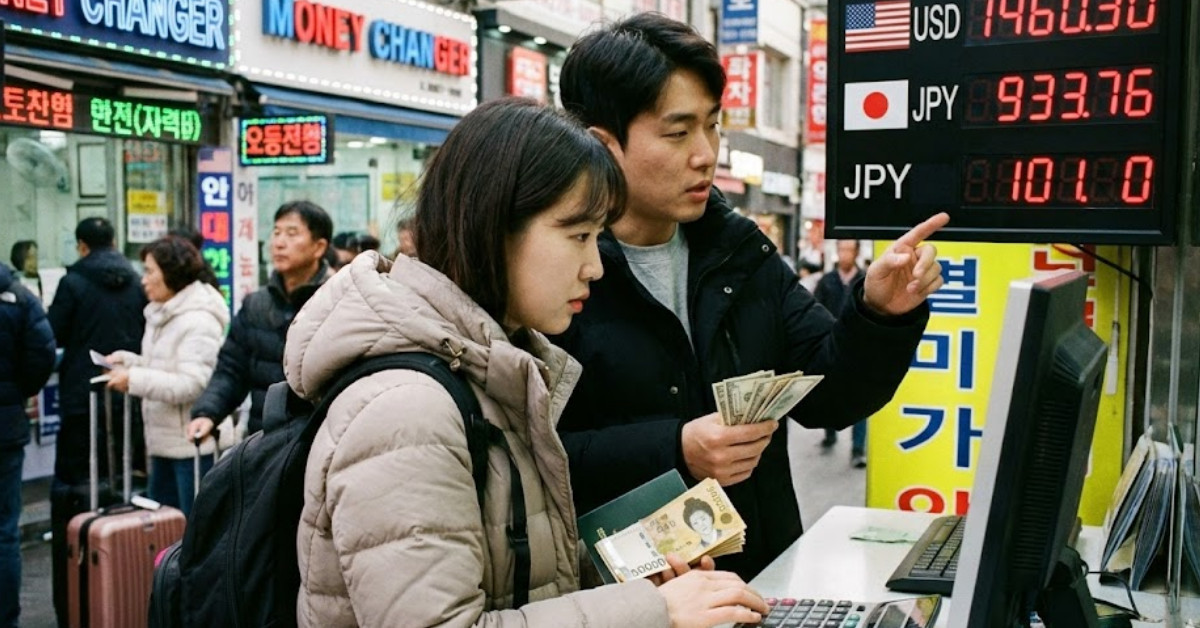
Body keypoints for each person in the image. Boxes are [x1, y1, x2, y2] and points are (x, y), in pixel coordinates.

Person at [284, 98, 767, 628]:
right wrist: (650, 611)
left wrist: (628, 584)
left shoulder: (490, 373)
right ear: (494, 227)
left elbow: (518, 584)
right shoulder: (407, 410)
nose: (594, 266)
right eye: (579, 236)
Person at [553, 12, 949, 580]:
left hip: (763, 584)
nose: (706, 153)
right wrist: (674, 450)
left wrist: (880, 313)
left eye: (713, 126)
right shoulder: (558, 274)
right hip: (634, 603)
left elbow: (829, 394)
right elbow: (529, 457)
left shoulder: (741, 254)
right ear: (604, 144)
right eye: (678, 131)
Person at [46, 217, 147, 626]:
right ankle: (118, 534)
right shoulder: (138, 279)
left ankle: (85, 536)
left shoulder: (73, 282)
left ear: (82, 246)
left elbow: (53, 332)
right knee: (120, 464)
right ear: (115, 242)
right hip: (128, 383)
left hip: (80, 390)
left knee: (78, 472)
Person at [104, 237, 229, 515]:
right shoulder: (162, 314)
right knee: (164, 534)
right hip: (163, 443)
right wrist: (129, 362)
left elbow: (192, 384)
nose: (143, 281)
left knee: (191, 534)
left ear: (171, 274)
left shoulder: (198, 320)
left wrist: (134, 379)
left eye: (150, 272)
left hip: (192, 448)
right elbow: (163, 367)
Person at [188, 201, 333, 441]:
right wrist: (208, 411)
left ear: (319, 247)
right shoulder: (256, 305)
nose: (278, 242)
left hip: (318, 442)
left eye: (292, 233)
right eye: (276, 232)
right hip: (265, 440)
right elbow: (232, 369)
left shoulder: (338, 302)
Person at [0, 261, 55, 628]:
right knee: (5, 531)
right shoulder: (19, 298)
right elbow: (42, 354)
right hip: (5, 427)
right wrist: (18, 394)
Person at [814, 240, 870, 466]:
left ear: (856, 252)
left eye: (849, 249)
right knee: (829, 394)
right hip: (831, 347)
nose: (845, 253)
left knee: (862, 400)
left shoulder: (866, 279)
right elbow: (814, 309)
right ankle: (829, 432)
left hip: (859, 348)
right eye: (841, 249)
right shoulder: (827, 281)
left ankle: (858, 449)